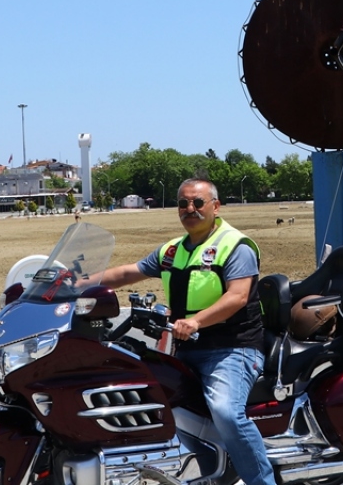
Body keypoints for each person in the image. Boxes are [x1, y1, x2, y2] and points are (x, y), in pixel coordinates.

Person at [96, 178, 274, 485]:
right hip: (187, 349)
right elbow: (128, 272)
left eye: (198, 202)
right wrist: (71, 284)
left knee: (226, 412)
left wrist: (196, 321)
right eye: (183, 203)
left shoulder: (236, 246)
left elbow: (237, 297)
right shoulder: (172, 251)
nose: (190, 209)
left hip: (232, 349)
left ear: (216, 207)